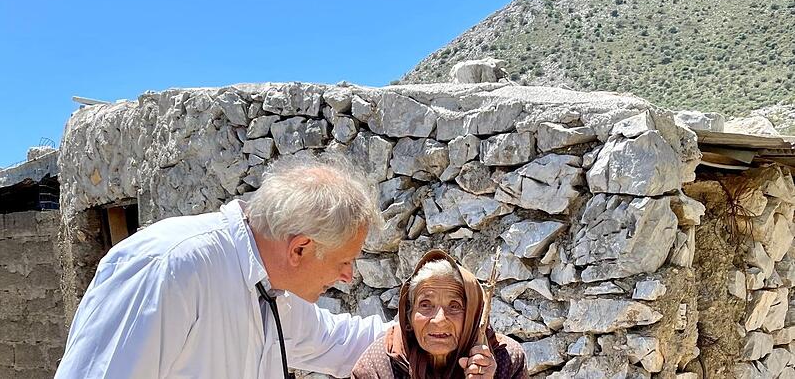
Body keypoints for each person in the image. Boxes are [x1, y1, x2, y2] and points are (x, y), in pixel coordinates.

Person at [56, 153, 393, 379]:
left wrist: (429, 325)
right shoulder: (169, 268)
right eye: (344, 261)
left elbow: (339, 341)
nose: (348, 277)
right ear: (300, 248)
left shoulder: (275, 291)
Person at [351, 250, 528, 379]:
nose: (439, 320)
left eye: (454, 306)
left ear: (473, 317)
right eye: (425, 305)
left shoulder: (506, 359)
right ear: (408, 318)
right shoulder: (379, 366)